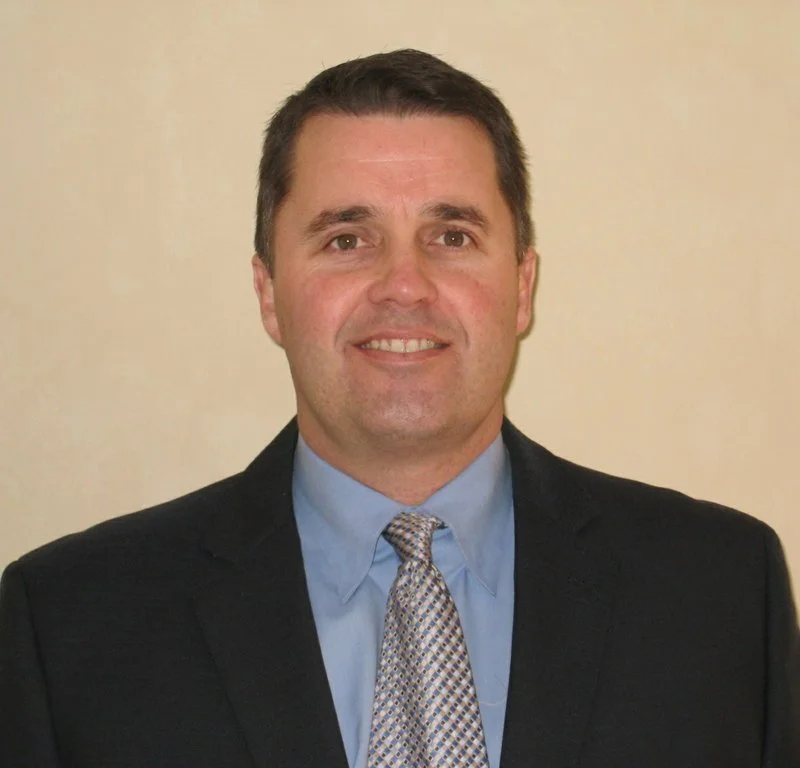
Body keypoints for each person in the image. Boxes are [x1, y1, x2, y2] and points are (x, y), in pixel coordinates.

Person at [0, 49, 797, 768]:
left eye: (451, 235)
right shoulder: (70, 626)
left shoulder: (719, 596)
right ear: (269, 294)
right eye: (347, 238)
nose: (405, 285)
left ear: (521, 287)